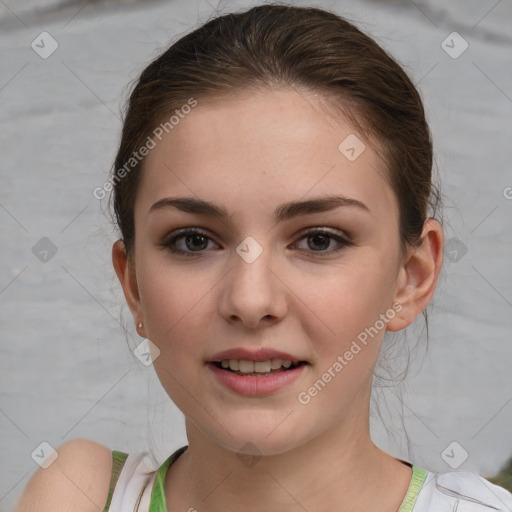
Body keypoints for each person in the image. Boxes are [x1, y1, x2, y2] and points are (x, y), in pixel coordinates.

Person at [16, 3, 512, 511]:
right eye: (194, 240)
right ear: (134, 285)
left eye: (320, 240)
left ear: (411, 278)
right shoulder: (79, 494)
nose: (251, 301)